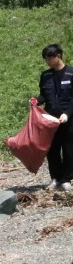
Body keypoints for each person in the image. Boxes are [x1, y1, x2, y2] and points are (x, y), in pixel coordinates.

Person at [38, 44, 73, 191]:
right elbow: (43, 95)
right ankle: (55, 178)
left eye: (50, 59)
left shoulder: (71, 73)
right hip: (50, 120)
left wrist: (67, 113)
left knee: (69, 149)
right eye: (46, 59)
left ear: (58, 56)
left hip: (68, 119)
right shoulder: (45, 75)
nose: (48, 62)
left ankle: (66, 179)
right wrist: (36, 100)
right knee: (52, 150)